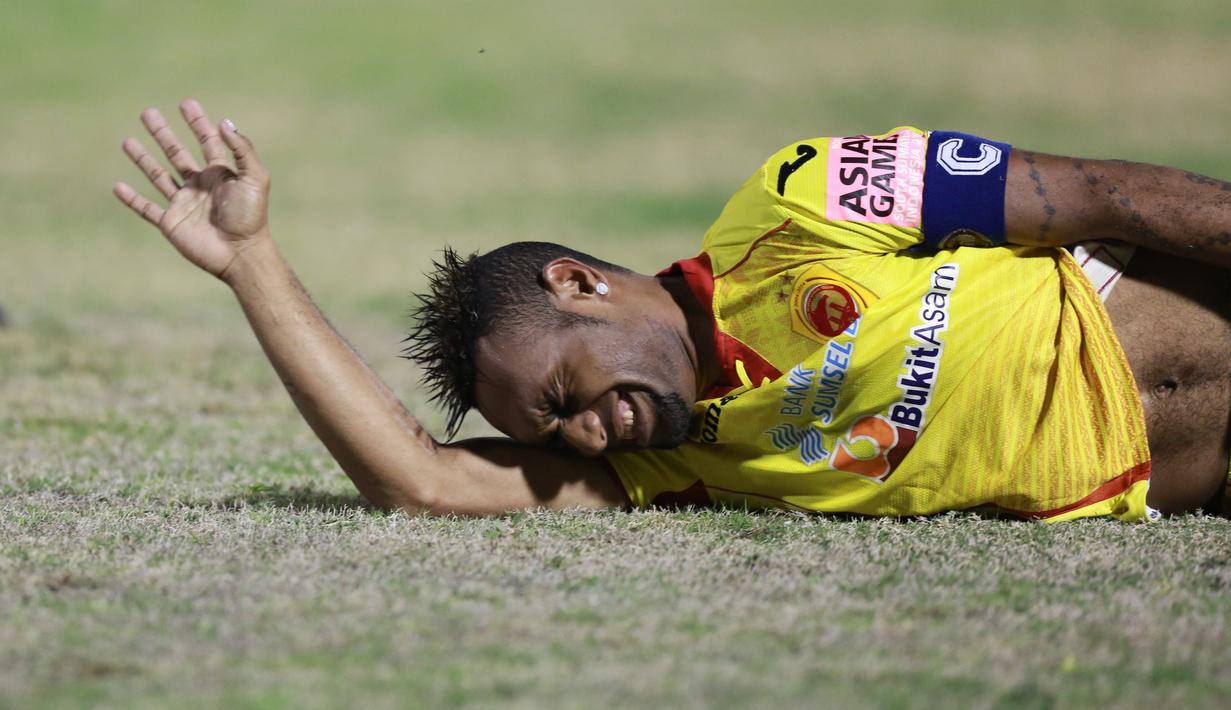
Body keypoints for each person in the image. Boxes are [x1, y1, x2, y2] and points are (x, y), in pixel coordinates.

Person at [114, 99, 1231, 522]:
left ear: (578, 285)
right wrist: (250, 260)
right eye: (556, 438)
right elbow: (423, 479)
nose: (588, 436)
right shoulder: (675, 462)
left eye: (564, 396)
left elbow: (1102, 192)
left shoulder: (800, 204)